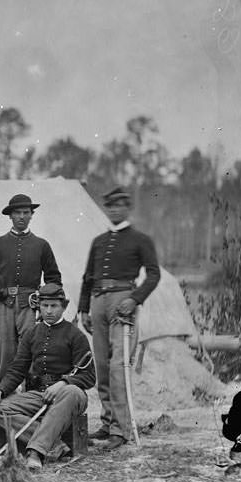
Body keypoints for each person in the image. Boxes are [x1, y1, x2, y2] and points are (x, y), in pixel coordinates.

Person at [78, 187, 160, 450]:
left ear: (127, 208)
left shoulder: (140, 239)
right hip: (98, 301)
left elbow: (153, 274)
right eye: (109, 206)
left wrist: (134, 299)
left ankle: (121, 430)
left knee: (118, 367)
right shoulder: (98, 241)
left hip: (123, 301)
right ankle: (107, 422)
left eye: (119, 205)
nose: (114, 210)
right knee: (101, 365)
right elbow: (88, 277)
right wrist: (83, 309)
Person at [0, 283, 96, 469]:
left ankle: (35, 452)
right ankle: (54, 445)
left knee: (70, 391)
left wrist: (63, 383)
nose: (49, 311)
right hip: (40, 396)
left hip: (69, 396)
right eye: (45, 306)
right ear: (39, 306)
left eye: (54, 306)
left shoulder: (76, 335)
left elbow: (89, 376)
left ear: (64, 307)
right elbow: (17, 369)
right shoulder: (32, 333)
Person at [0, 194, 62, 382]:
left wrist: (45, 303)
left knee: (32, 349)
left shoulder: (42, 245)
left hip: (30, 306)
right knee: (6, 351)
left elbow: (54, 279)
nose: (22, 217)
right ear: (10, 216)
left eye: (26, 212)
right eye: (17, 213)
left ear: (32, 215)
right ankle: (4, 397)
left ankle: (31, 394)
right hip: (3, 305)